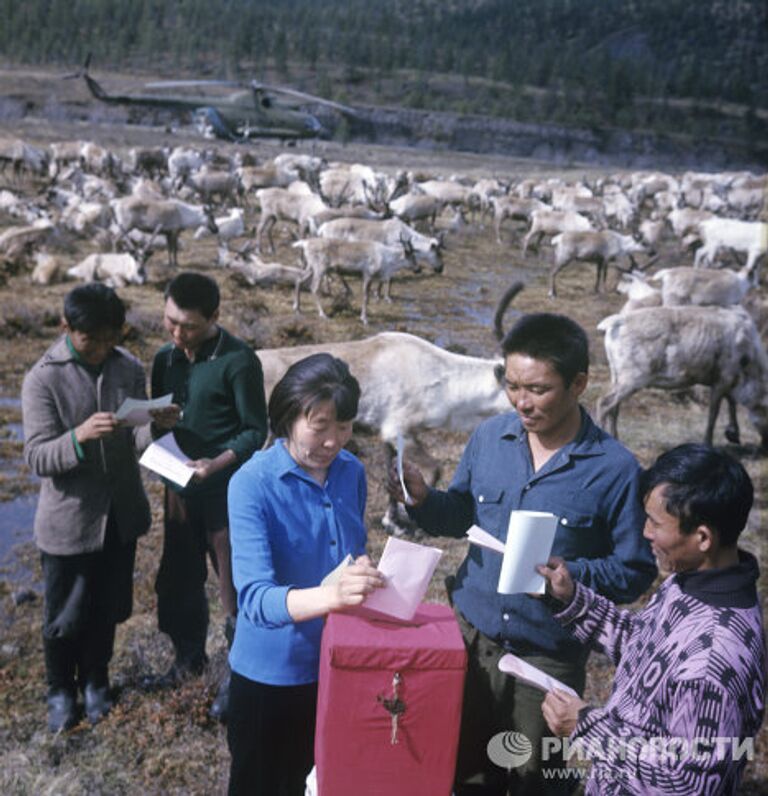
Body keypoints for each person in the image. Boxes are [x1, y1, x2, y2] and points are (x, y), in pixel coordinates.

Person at [389, 312, 657, 795]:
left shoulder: (615, 469)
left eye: (538, 389)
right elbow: (461, 515)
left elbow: (635, 568)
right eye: (513, 386)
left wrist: (574, 578)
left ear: (579, 383)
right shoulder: (491, 437)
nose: (522, 402)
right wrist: (426, 501)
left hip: (546, 656)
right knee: (465, 770)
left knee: (536, 779)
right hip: (471, 642)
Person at [539, 443, 765, 794]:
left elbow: (687, 783)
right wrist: (571, 598)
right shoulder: (690, 581)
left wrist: (586, 725)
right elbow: (644, 648)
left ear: (702, 537)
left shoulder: (712, 663)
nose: (645, 533)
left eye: (656, 523)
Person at [22, 283, 179, 732]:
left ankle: (96, 682)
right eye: (93, 340)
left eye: (112, 337)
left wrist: (156, 425)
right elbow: (36, 458)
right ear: (66, 327)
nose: (102, 349)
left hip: (119, 515)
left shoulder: (127, 366)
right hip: (70, 522)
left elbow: (138, 438)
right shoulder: (42, 378)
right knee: (64, 615)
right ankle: (60, 691)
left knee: (107, 607)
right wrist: (78, 437)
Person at [226, 353, 385, 796]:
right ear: (286, 417)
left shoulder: (351, 471)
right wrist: (332, 596)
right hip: (271, 678)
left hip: (339, 665)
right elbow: (256, 600)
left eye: (345, 426)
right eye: (320, 426)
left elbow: (351, 550)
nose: (334, 441)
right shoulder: (251, 483)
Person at [150, 271, 267, 722]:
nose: (178, 334)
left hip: (226, 492)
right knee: (178, 577)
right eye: (170, 322)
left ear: (215, 318)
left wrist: (214, 465)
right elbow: (161, 420)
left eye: (189, 327)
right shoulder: (165, 358)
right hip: (178, 487)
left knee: (234, 584)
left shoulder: (239, 361)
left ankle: (240, 677)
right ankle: (187, 659)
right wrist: (157, 424)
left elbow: (255, 429)